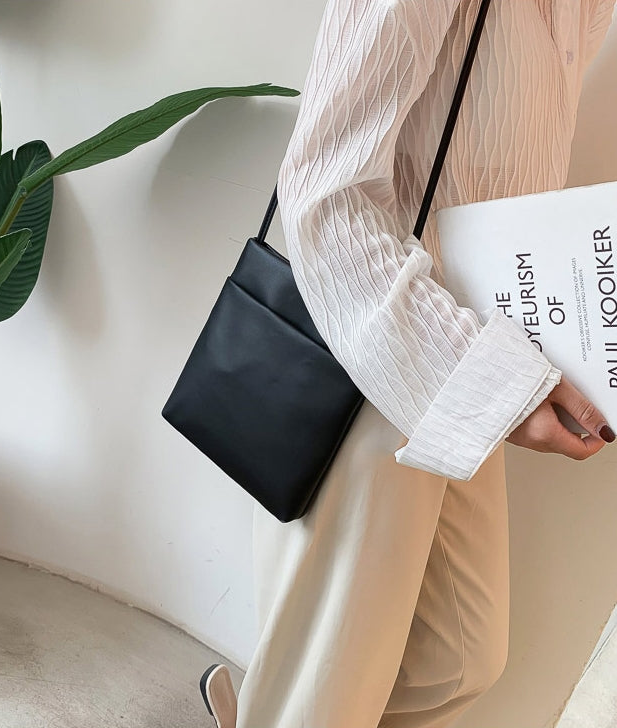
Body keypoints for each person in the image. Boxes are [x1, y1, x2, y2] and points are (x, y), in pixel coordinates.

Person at [200, 1, 617, 727]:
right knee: (328, 689)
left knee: (457, 659)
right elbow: (323, 191)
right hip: (375, 345)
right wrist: (494, 385)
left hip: (475, 353)